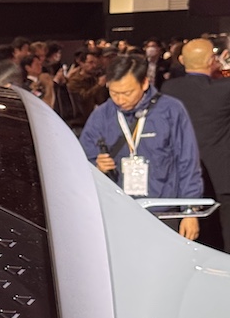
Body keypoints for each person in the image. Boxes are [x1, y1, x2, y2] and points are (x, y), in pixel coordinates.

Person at [79, 54, 203, 240]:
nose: (120, 99)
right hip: (118, 213)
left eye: (127, 93)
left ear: (144, 83)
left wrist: (190, 211)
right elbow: (82, 162)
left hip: (163, 212)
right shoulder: (101, 115)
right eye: (114, 93)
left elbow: (187, 161)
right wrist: (97, 167)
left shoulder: (171, 110)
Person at [163, 38, 230, 251]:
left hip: (183, 178)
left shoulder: (169, 88)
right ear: (212, 60)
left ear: (182, 60)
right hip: (222, 179)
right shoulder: (223, 90)